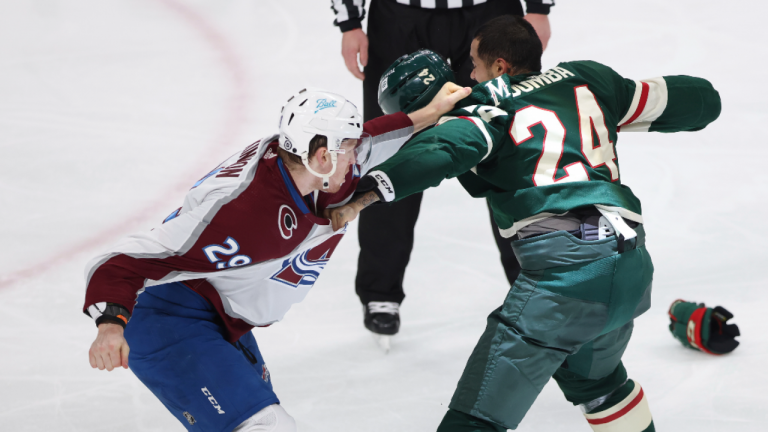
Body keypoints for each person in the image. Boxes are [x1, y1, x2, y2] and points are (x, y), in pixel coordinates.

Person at [329, 15, 721, 432]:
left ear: (499, 67)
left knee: (474, 418)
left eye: (475, 66)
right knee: (599, 384)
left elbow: (444, 149)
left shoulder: (485, 107)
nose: (472, 75)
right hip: (631, 265)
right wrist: (706, 100)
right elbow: (699, 100)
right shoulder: (585, 79)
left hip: (567, 275)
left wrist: (360, 197)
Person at [83, 85, 470, 432]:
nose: (359, 156)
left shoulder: (315, 165)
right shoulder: (240, 212)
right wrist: (110, 325)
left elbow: (372, 138)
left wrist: (431, 112)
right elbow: (120, 262)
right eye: (349, 149)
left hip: (226, 317)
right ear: (321, 156)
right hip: (170, 321)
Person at [331, 0, 555, 339]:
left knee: (509, 141)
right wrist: (349, 21)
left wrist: (539, 8)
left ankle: (534, 279)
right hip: (399, 16)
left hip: (491, 11)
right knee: (394, 144)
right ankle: (380, 291)